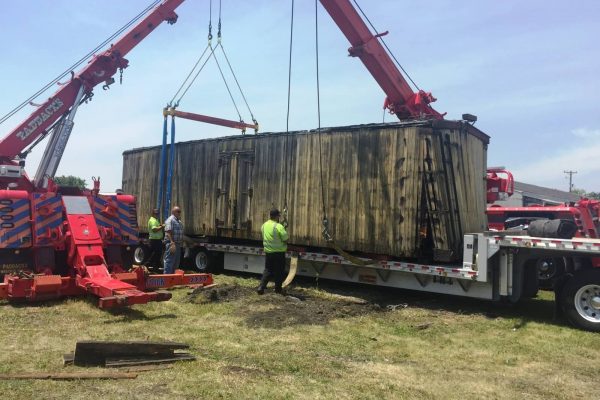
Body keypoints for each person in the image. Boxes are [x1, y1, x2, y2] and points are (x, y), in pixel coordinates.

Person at [257, 208, 288, 295]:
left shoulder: (264, 225)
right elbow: (285, 239)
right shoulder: (279, 226)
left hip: (268, 252)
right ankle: (278, 289)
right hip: (279, 253)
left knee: (268, 270)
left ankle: (261, 287)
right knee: (279, 271)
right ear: (277, 216)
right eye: (279, 216)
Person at [163, 206, 184, 274]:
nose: (179, 213)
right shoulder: (170, 220)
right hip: (171, 243)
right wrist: (172, 243)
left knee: (176, 262)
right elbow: (168, 232)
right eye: (178, 211)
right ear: (173, 212)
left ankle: (173, 279)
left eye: (180, 211)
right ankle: (166, 278)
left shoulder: (179, 221)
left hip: (177, 244)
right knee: (169, 261)